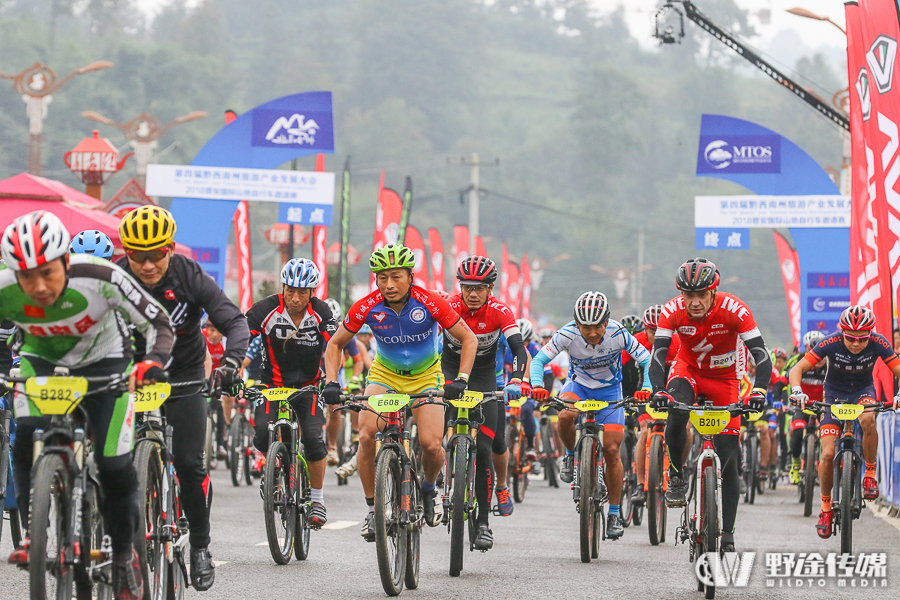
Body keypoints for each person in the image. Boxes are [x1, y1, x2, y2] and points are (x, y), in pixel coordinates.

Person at [0, 210, 176, 600]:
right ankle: (34, 533)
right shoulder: (4, 287)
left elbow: (158, 323)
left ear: (66, 260)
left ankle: (124, 555)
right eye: (27, 276)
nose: (39, 286)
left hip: (106, 364)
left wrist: (152, 363)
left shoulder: (102, 277)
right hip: (40, 362)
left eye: (48, 272)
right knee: (26, 432)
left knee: (114, 466)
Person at [117, 206, 249, 591]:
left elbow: (234, 321)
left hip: (185, 378)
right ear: (125, 252)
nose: (146, 264)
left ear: (170, 249)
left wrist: (231, 364)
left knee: (190, 464)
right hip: (131, 377)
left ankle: (200, 547)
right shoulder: (117, 277)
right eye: (136, 255)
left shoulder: (188, 275)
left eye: (156, 254)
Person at [322, 244, 477, 541]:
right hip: (386, 376)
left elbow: (468, 339)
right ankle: (371, 510)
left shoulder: (429, 302)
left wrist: (462, 378)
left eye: (396, 277)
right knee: (366, 435)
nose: (389, 285)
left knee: (431, 445)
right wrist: (331, 382)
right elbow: (335, 344)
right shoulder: (367, 306)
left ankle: (429, 488)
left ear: (410, 275)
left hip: (425, 377)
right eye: (382, 278)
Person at [647, 257, 771, 553]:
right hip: (687, 372)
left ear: (713, 292)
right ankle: (676, 475)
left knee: (730, 457)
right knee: (675, 411)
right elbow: (658, 354)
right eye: (689, 295)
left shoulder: (735, 309)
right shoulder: (672, 311)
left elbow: (761, 355)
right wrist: (658, 390)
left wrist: (759, 391)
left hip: (725, 380)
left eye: (701, 295)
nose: (695, 302)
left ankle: (727, 534)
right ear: (681, 295)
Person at [530, 291, 652, 539]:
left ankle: (615, 512)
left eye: (597, 326)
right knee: (564, 416)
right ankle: (571, 454)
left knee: (612, 451)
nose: (593, 332)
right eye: (586, 327)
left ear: (606, 322)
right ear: (577, 324)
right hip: (578, 386)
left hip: (610, 392)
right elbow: (539, 360)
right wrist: (537, 385)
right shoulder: (567, 333)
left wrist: (647, 387)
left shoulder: (618, 333)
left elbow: (647, 359)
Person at [788, 306, 900, 539]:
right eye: (850, 338)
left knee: (869, 418)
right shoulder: (831, 342)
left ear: (871, 333)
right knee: (828, 453)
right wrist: (797, 391)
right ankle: (826, 508)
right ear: (842, 332)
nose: (856, 343)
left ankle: (869, 474)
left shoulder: (879, 342)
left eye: (862, 338)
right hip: (834, 395)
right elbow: (798, 368)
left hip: (863, 391)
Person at [444, 256, 528, 550]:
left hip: (484, 378)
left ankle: (482, 522)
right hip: (448, 371)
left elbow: (518, 348)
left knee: (484, 448)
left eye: (479, 288)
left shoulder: (500, 311)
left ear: (490, 288)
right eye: (467, 287)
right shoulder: (450, 306)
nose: (472, 294)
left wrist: (517, 379)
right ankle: (436, 487)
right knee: (431, 435)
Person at [245, 257, 335, 529]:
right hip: (272, 385)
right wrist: (233, 371)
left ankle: (317, 499)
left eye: (302, 292)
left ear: (312, 292)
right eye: (290, 291)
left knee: (313, 439)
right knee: (262, 432)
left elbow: (334, 347)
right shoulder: (264, 310)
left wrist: (331, 381)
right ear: (283, 288)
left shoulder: (322, 313)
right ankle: (273, 471)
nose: (295, 298)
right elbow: (241, 339)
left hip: (308, 386)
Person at [631, 304, 681, 505]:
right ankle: (639, 485)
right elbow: (625, 370)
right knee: (644, 430)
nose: (659, 336)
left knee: (682, 428)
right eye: (653, 332)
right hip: (645, 390)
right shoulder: (636, 342)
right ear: (645, 330)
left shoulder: (677, 343)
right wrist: (627, 396)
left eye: (663, 331)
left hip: (673, 386)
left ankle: (679, 473)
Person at [775, 330, 825, 484]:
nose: (818, 361)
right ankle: (795, 463)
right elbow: (778, 384)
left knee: (828, 434)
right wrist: (778, 401)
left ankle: (825, 465)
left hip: (823, 405)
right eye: (813, 356)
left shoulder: (831, 365)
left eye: (821, 357)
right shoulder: (799, 364)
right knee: (797, 432)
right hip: (802, 404)